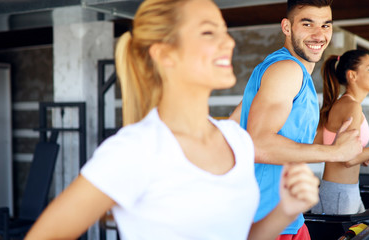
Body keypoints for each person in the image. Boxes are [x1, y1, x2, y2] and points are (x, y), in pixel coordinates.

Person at [24, 0, 320, 239]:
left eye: (224, 31)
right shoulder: (137, 148)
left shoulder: (237, 141)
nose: (228, 42)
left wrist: (285, 210)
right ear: (165, 54)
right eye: (208, 33)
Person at [229, 0, 364, 239]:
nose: (319, 34)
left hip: (280, 214)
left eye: (326, 25)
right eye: (307, 23)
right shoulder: (287, 70)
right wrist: (335, 153)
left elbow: (231, 128)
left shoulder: (281, 70)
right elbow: (258, 144)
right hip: (267, 218)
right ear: (287, 27)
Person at [310, 49, 369, 215]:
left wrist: (365, 155)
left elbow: (349, 154)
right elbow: (349, 159)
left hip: (345, 191)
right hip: (339, 194)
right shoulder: (351, 106)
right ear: (352, 75)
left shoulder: (347, 104)